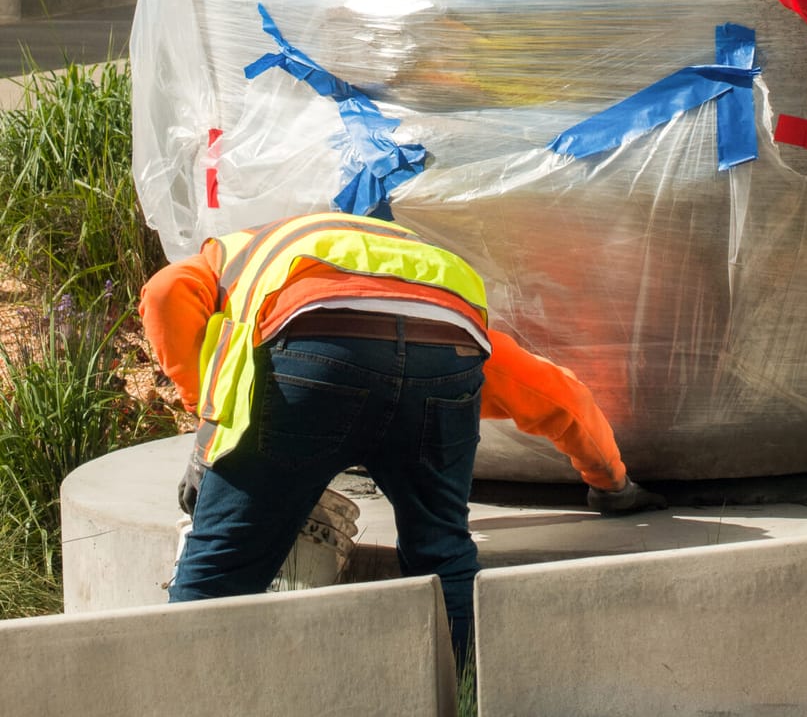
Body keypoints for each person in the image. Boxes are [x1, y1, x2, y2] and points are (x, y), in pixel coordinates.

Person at [141, 207, 663, 657]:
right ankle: (462, 691)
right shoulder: (425, 283)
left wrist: (209, 423)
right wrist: (612, 484)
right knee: (443, 555)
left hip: (310, 346)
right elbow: (562, 399)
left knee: (220, 572)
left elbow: (165, 291)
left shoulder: (233, 254)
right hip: (449, 349)